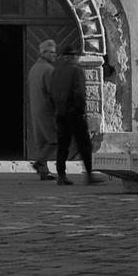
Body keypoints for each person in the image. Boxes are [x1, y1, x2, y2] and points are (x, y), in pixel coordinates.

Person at [47, 35, 104, 185]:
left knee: (63, 145)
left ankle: (61, 175)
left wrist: (56, 109)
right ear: (72, 56)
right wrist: (80, 109)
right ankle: (90, 175)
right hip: (74, 113)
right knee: (84, 144)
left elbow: (51, 93)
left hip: (60, 113)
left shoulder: (56, 71)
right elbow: (79, 92)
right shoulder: (76, 70)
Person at [26, 39, 59, 180]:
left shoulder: (34, 68)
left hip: (36, 108)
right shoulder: (48, 70)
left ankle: (44, 171)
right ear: (43, 53)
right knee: (53, 140)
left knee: (42, 141)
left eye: (55, 53)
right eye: (51, 52)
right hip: (47, 110)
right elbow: (54, 92)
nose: (54, 55)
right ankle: (40, 162)